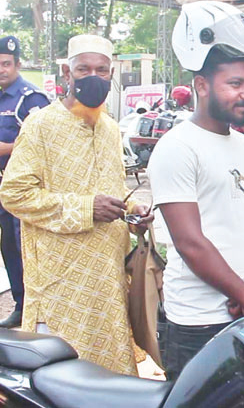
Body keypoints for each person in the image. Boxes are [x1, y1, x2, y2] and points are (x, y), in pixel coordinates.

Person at [0, 34, 152, 376]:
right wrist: (85, 209)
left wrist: (132, 213)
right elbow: (14, 194)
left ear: (111, 74)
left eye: (102, 70)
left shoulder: (111, 128)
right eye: (83, 69)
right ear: (67, 74)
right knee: (63, 378)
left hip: (108, 277)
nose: (93, 77)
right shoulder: (41, 124)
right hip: (61, 281)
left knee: (108, 380)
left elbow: (108, 190)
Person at [148, 0, 244, 380]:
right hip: (197, 324)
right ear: (201, 86)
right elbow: (190, 242)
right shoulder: (176, 147)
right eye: (235, 84)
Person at [0, 36, 50, 328]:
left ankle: (37, 309)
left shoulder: (31, 98)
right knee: (9, 250)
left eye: (6, 64)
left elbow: (42, 143)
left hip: (24, 190)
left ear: (17, 64)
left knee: (26, 249)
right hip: (2, 191)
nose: (1, 70)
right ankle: (21, 304)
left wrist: (5, 148)